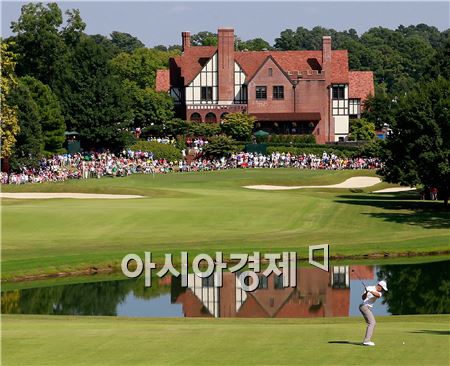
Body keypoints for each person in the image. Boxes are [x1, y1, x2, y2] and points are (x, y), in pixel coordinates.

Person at [359, 280, 388, 346]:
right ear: (379, 286)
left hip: (367, 308)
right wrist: (366, 292)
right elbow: (363, 298)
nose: (382, 290)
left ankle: (366, 340)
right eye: (382, 288)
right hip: (363, 306)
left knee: (371, 323)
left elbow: (377, 295)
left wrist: (370, 291)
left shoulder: (379, 293)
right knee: (372, 323)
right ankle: (367, 341)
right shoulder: (369, 287)